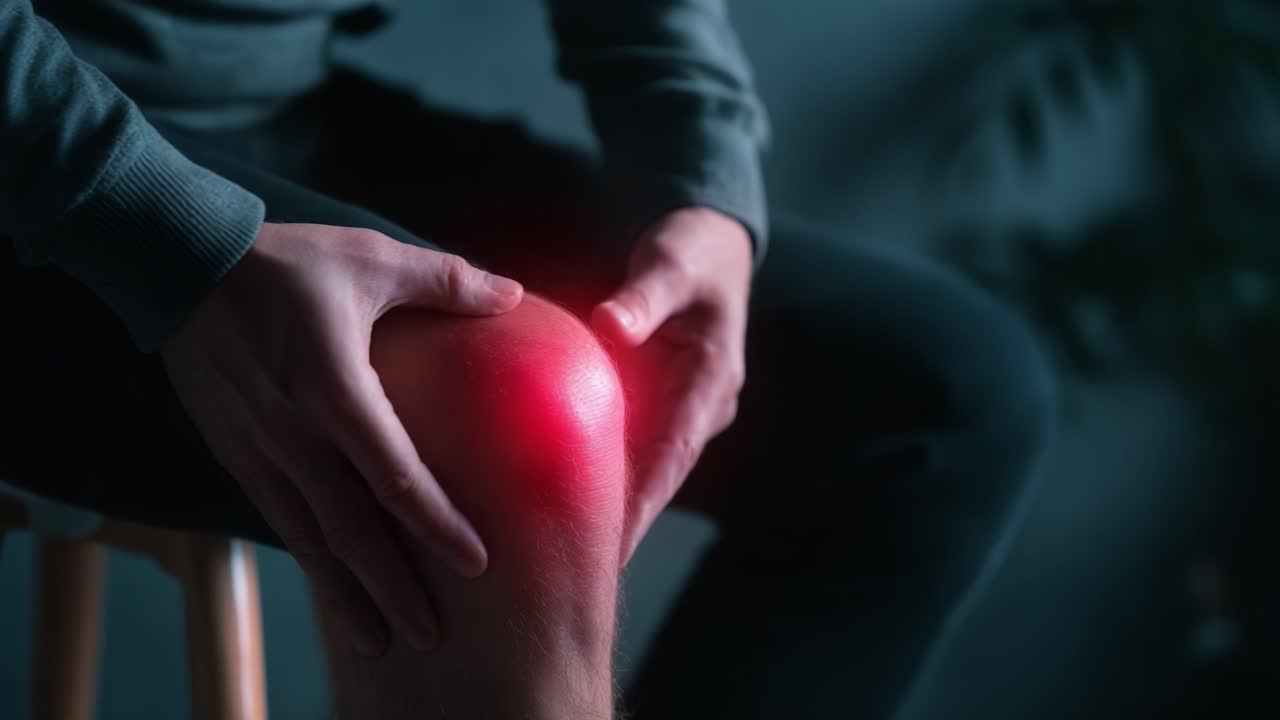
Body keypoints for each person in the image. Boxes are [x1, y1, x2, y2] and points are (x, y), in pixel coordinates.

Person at [0, 1, 1058, 717]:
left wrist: (703, 180)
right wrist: (169, 238)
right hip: (29, 168)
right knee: (515, 406)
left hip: (276, 117)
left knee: (936, 392)